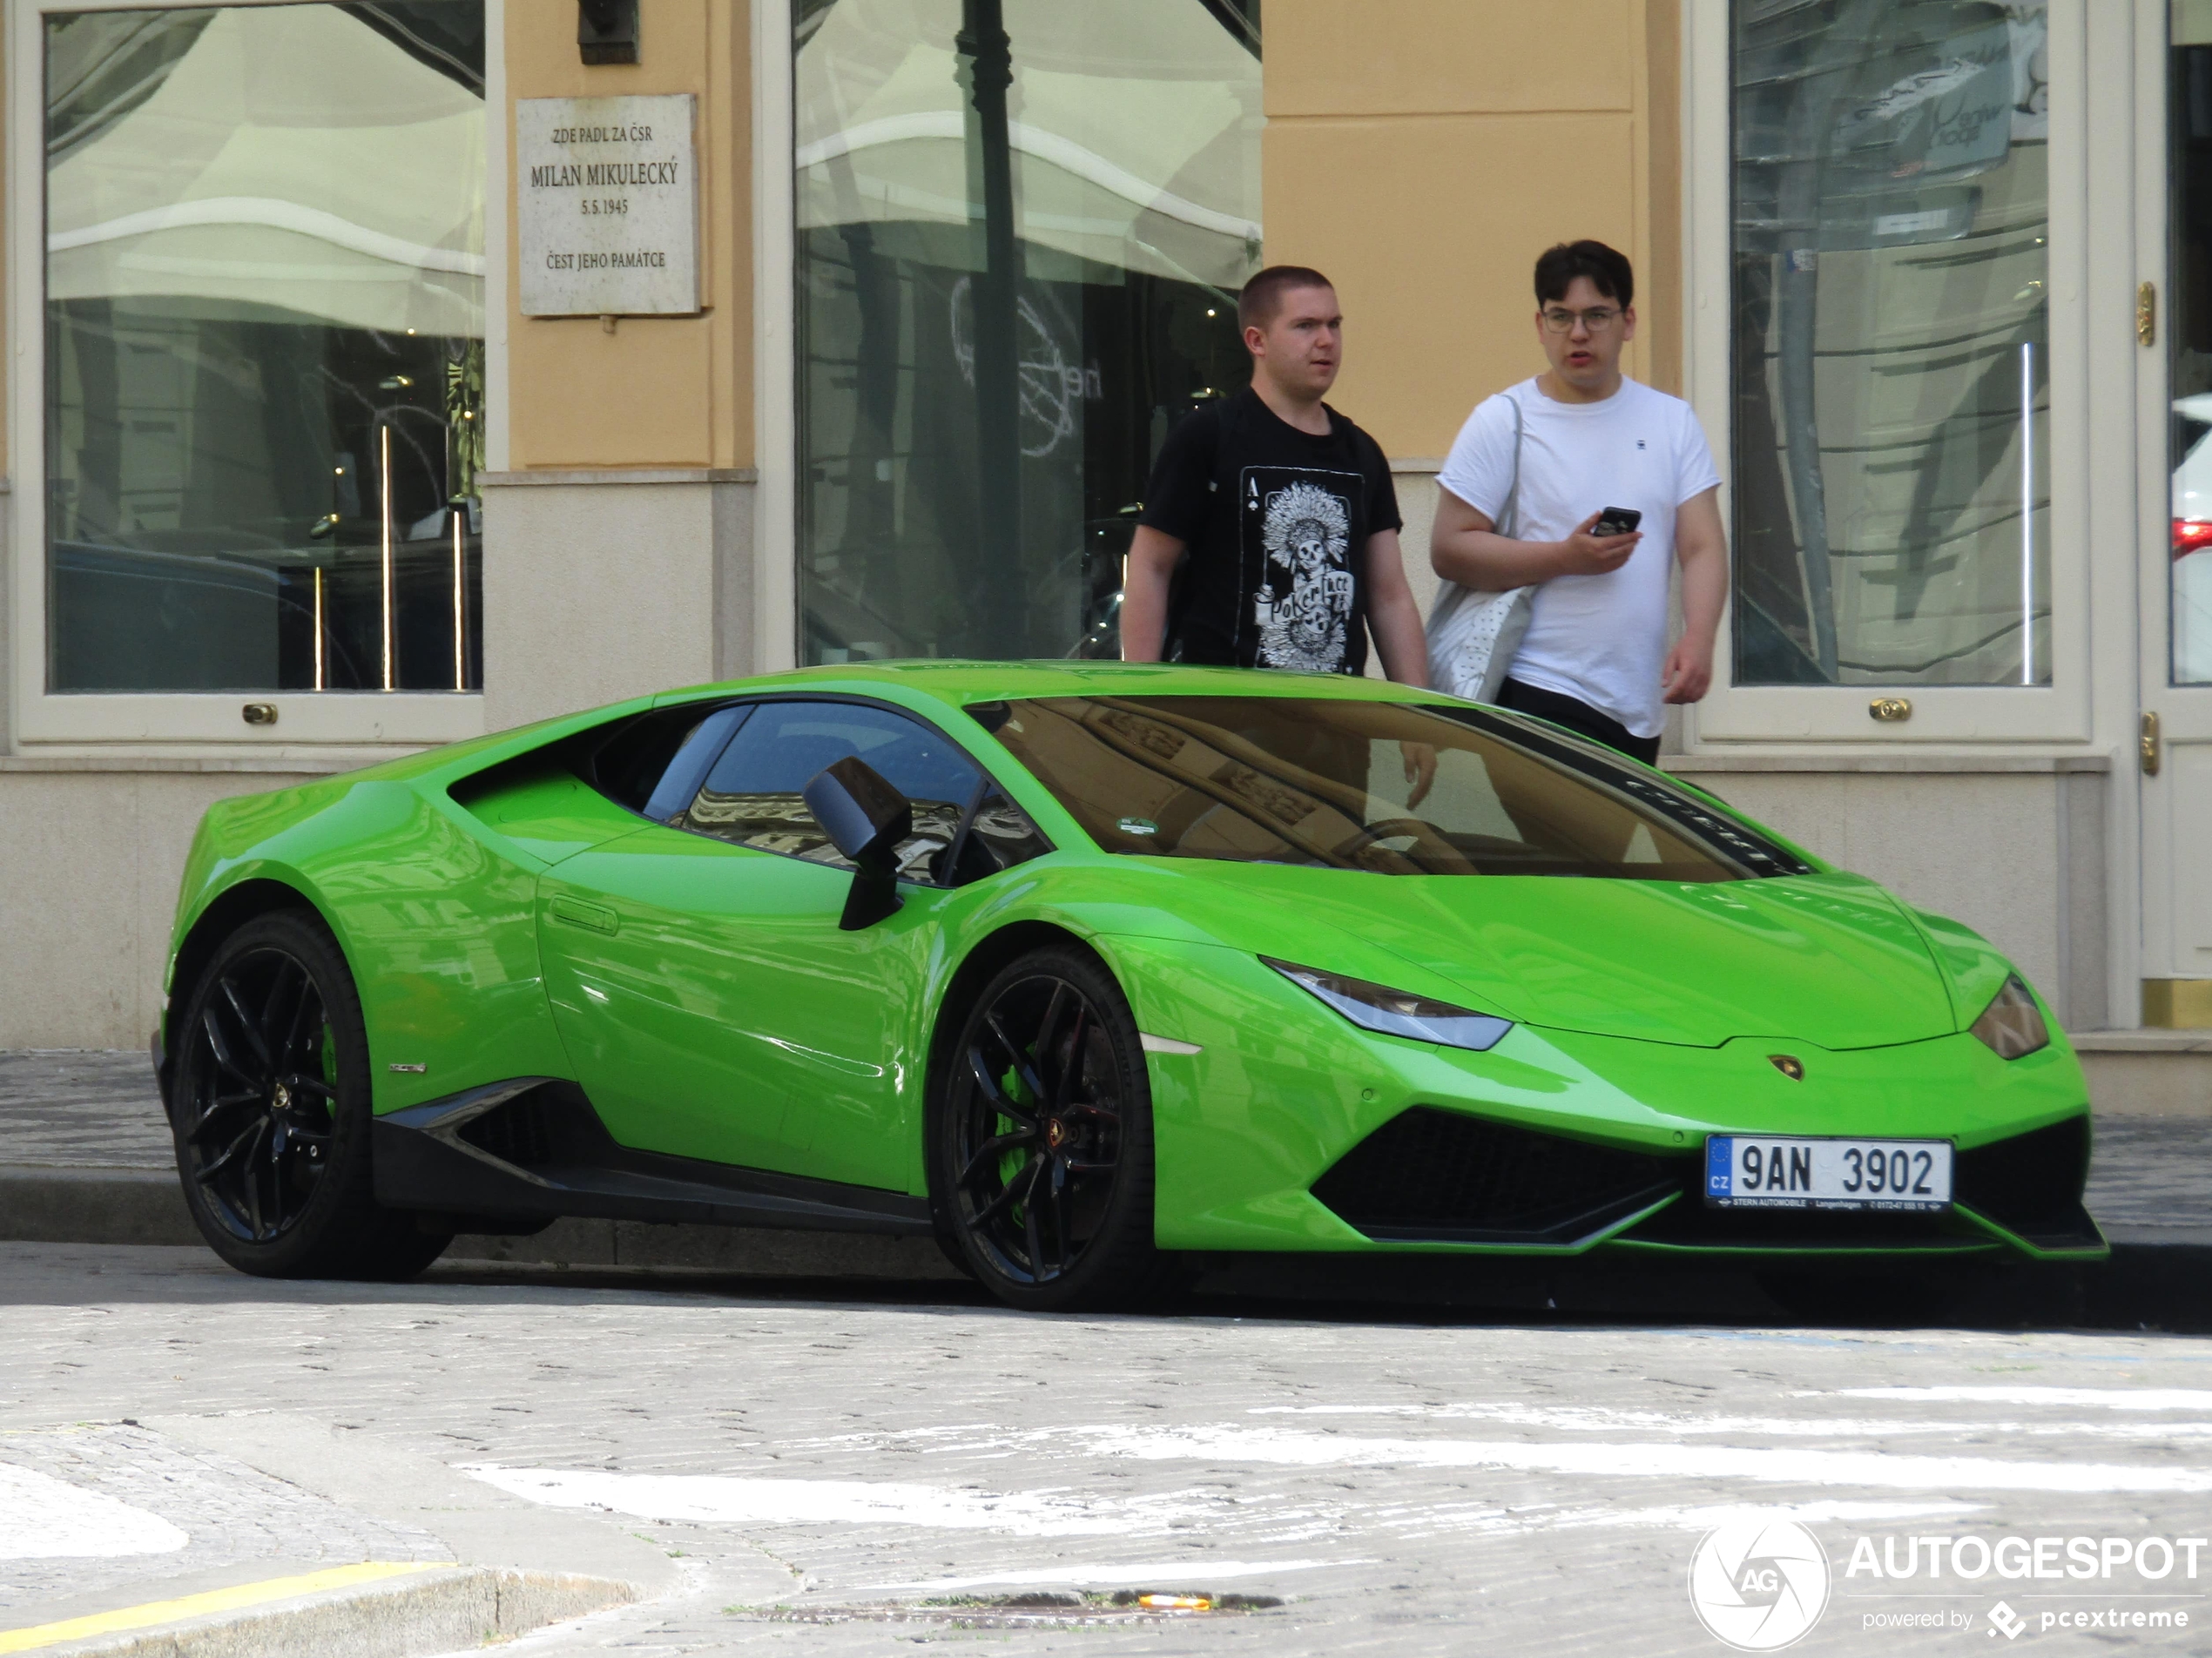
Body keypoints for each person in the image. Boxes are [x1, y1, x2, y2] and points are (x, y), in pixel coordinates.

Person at [1430, 239, 1726, 766]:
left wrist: (1699, 637)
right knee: (1569, 846)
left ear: (1628, 321)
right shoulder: (1504, 419)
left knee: (1603, 851)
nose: (1579, 333)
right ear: (1540, 324)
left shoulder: (1670, 420)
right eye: (1561, 316)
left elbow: (1702, 545)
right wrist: (1563, 558)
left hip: (1634, 700)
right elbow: (1449, 549)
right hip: (1535, 682)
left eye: (1597, 315)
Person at [1121, 266, 1430, 687]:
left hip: (1336, 720)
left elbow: (1389, 597)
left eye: (1334, 324)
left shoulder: (1361, 453)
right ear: (1257, 341)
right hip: (1223, 718)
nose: (1326, 340)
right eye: (1305, 326)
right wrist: (1142, 692)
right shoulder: (1210, 436)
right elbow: (1150, 566)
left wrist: (1416, 711)